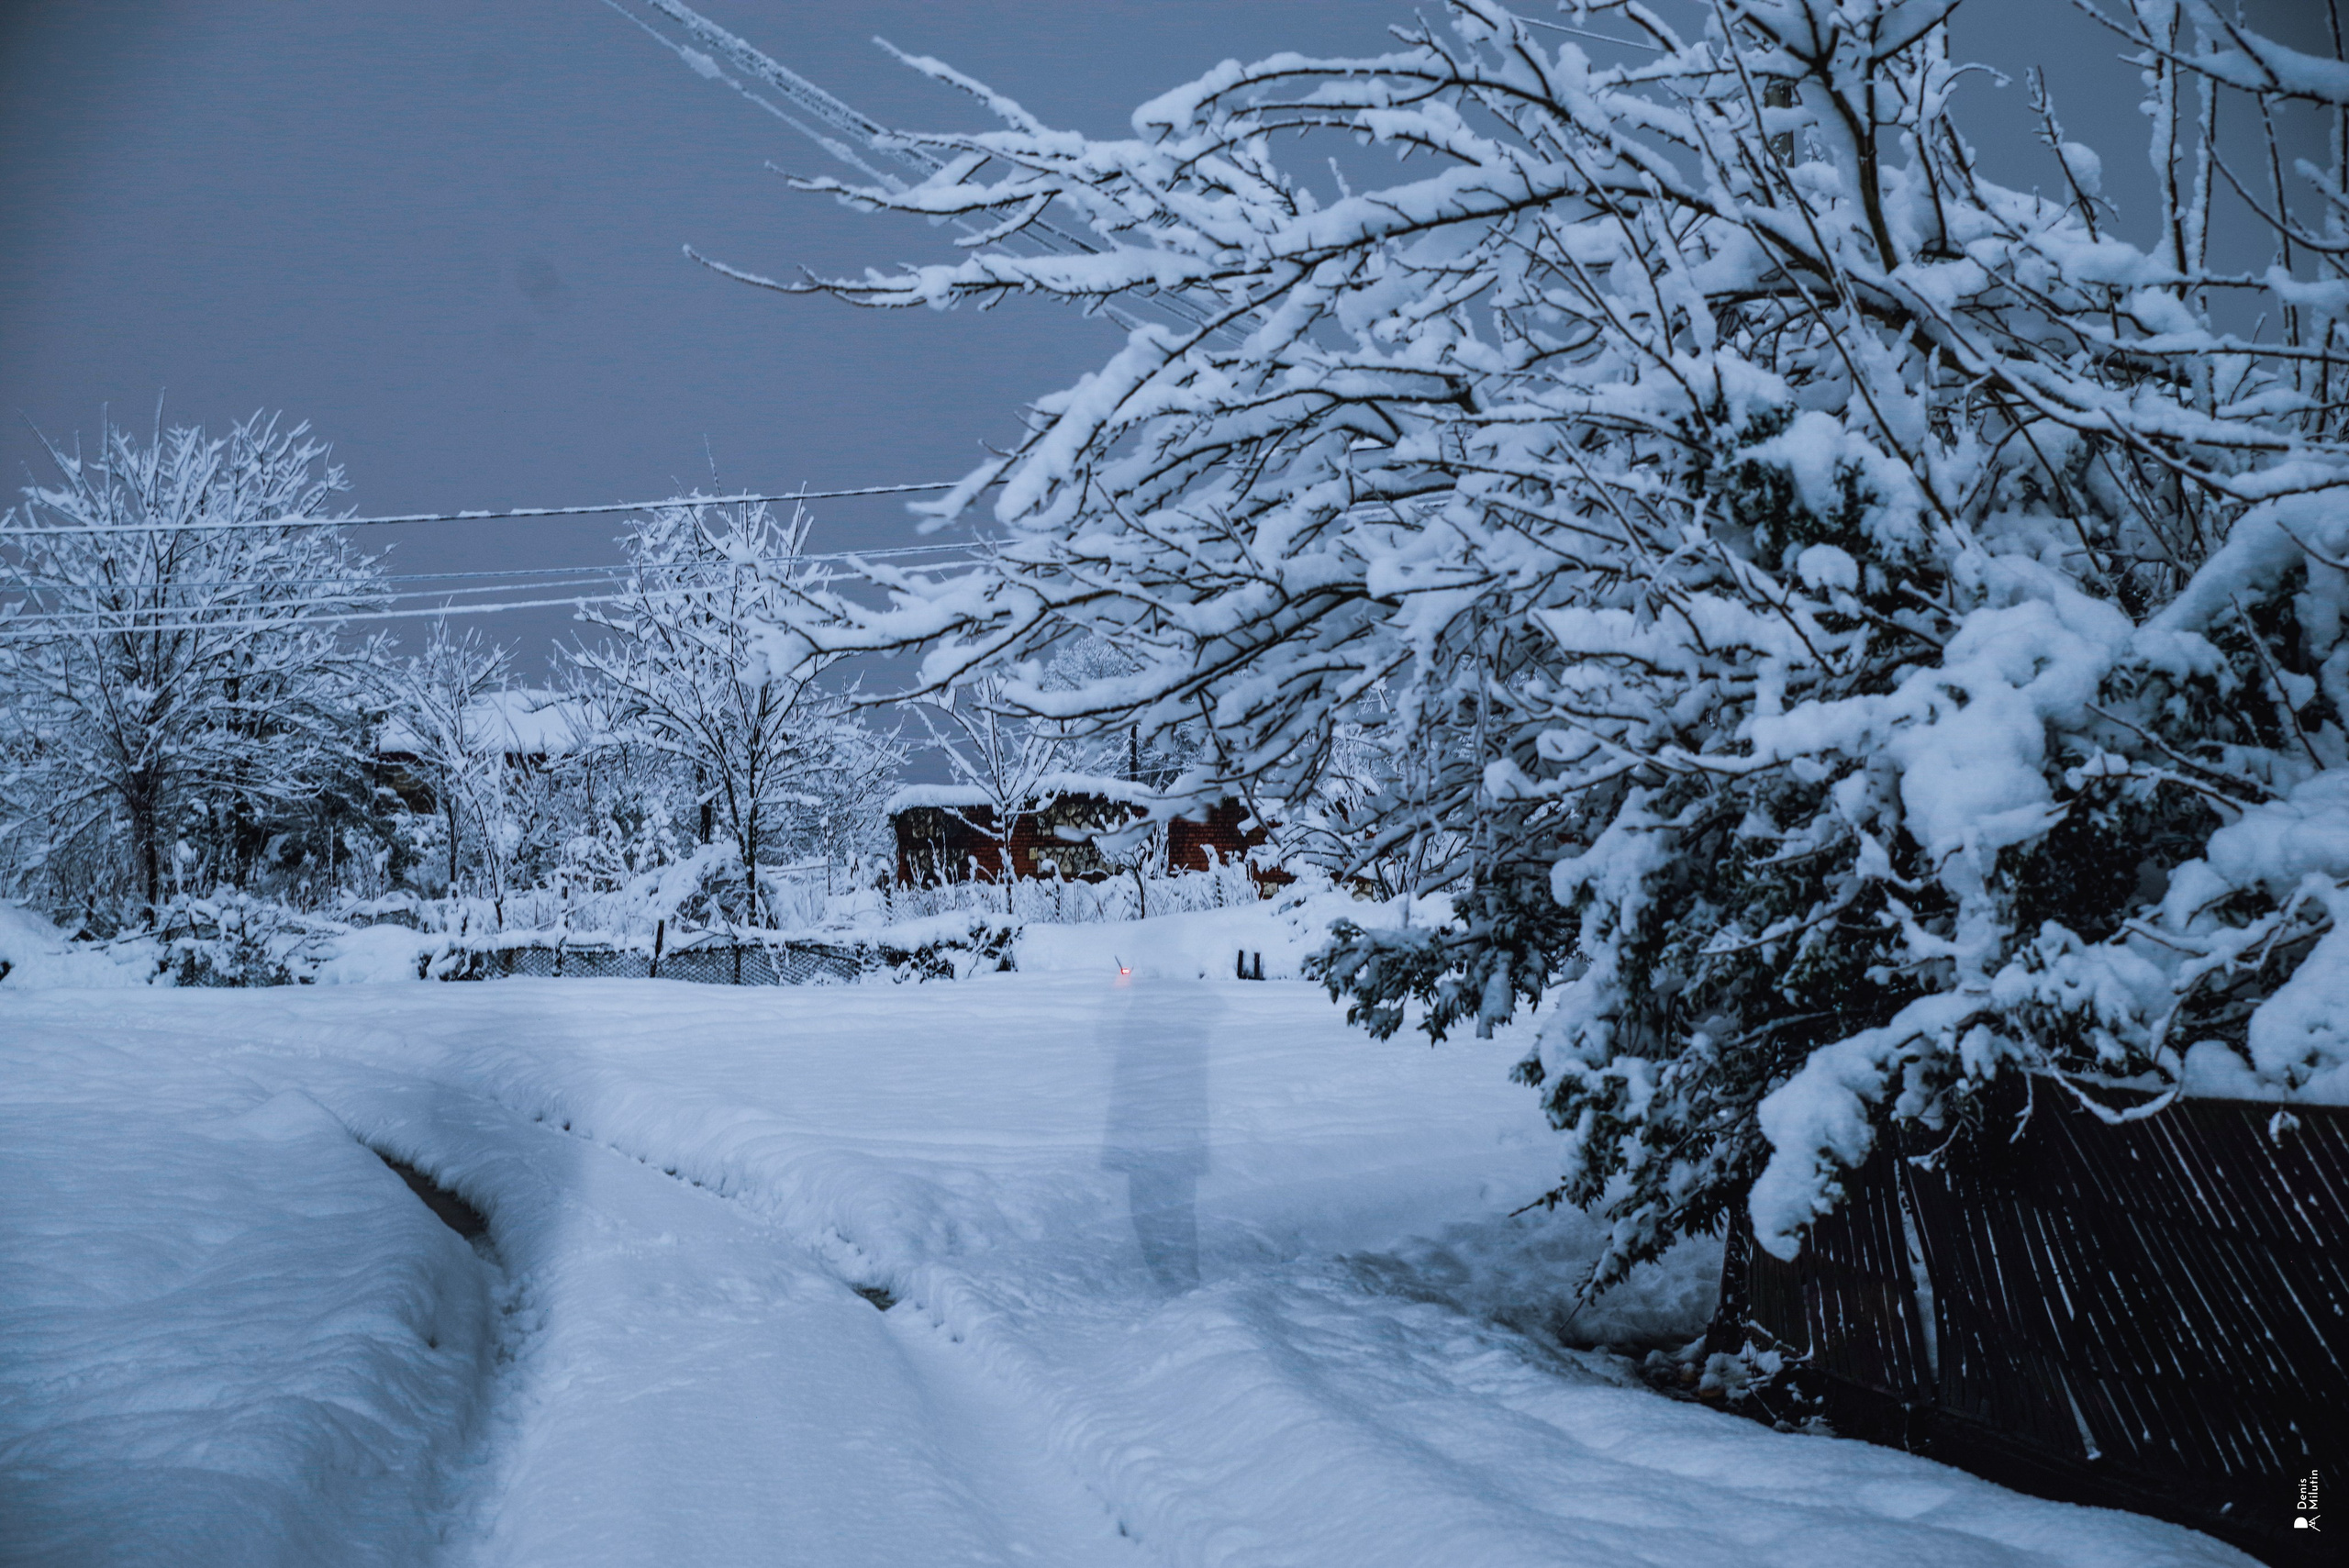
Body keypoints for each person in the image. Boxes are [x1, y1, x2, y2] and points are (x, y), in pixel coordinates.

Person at [1100, 974, 1220, 1292]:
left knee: (1152, 1210)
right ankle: (1180, 1282)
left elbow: (1104, 1039)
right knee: (1175, 1210)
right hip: (1178, 1135)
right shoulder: (1190, 1010)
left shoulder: (1147, 1016)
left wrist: (1118, 993)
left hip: (1149, 1137)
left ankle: (1177, 1282)